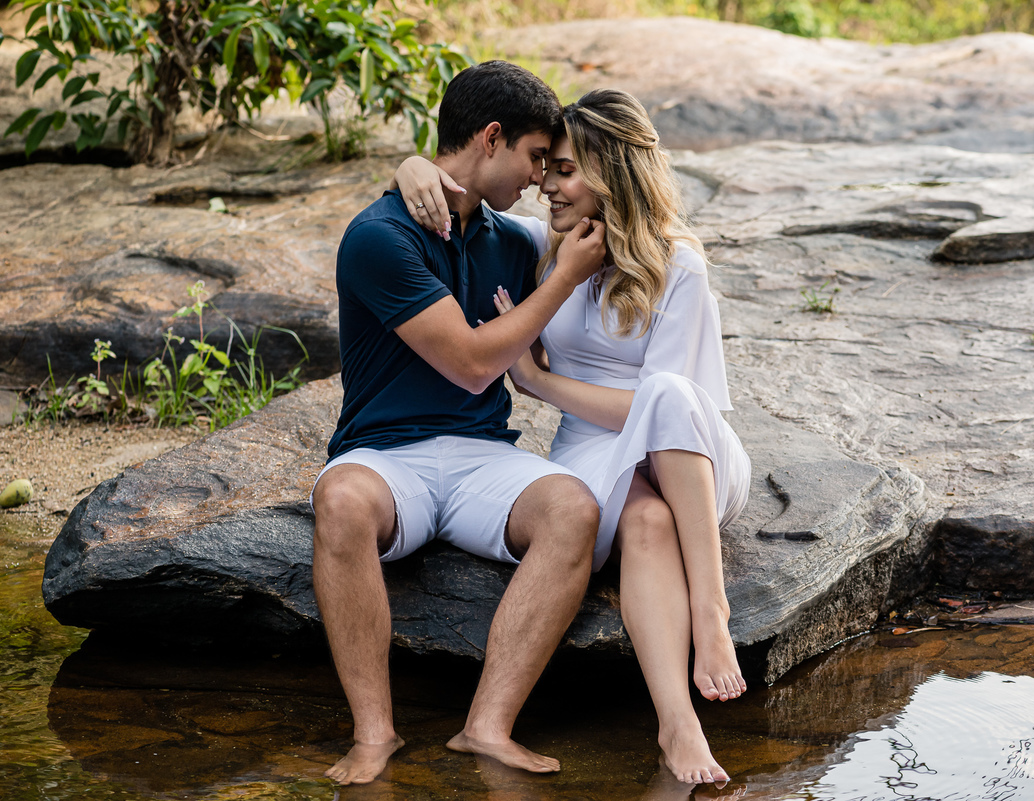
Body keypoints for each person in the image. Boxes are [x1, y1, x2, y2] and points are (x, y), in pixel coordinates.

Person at [392, 88, 752, 786]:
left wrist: (540, 384)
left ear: (612, 172)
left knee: (666, 394)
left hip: (694, 456)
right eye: (547, 167)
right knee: (643, 518)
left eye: (563, 170)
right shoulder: (541, 246)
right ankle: (678, 724)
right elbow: (465, 196)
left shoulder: (679, 265)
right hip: (593, 456)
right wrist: (412, 165)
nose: (544, 186)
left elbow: (663, 412)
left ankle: (711, 611)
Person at [310, 61, 609, 786]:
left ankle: (486, 726)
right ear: (491, 137)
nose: (542, 178)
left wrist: (410, 162)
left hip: (482, 456)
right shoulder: (379, 237)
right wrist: (562, 279)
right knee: (340, 502)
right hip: (386, 456)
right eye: (536, 157)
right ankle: (375, 733)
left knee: (574, 508)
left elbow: (610, 207)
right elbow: (475, 365)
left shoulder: (513, 240)